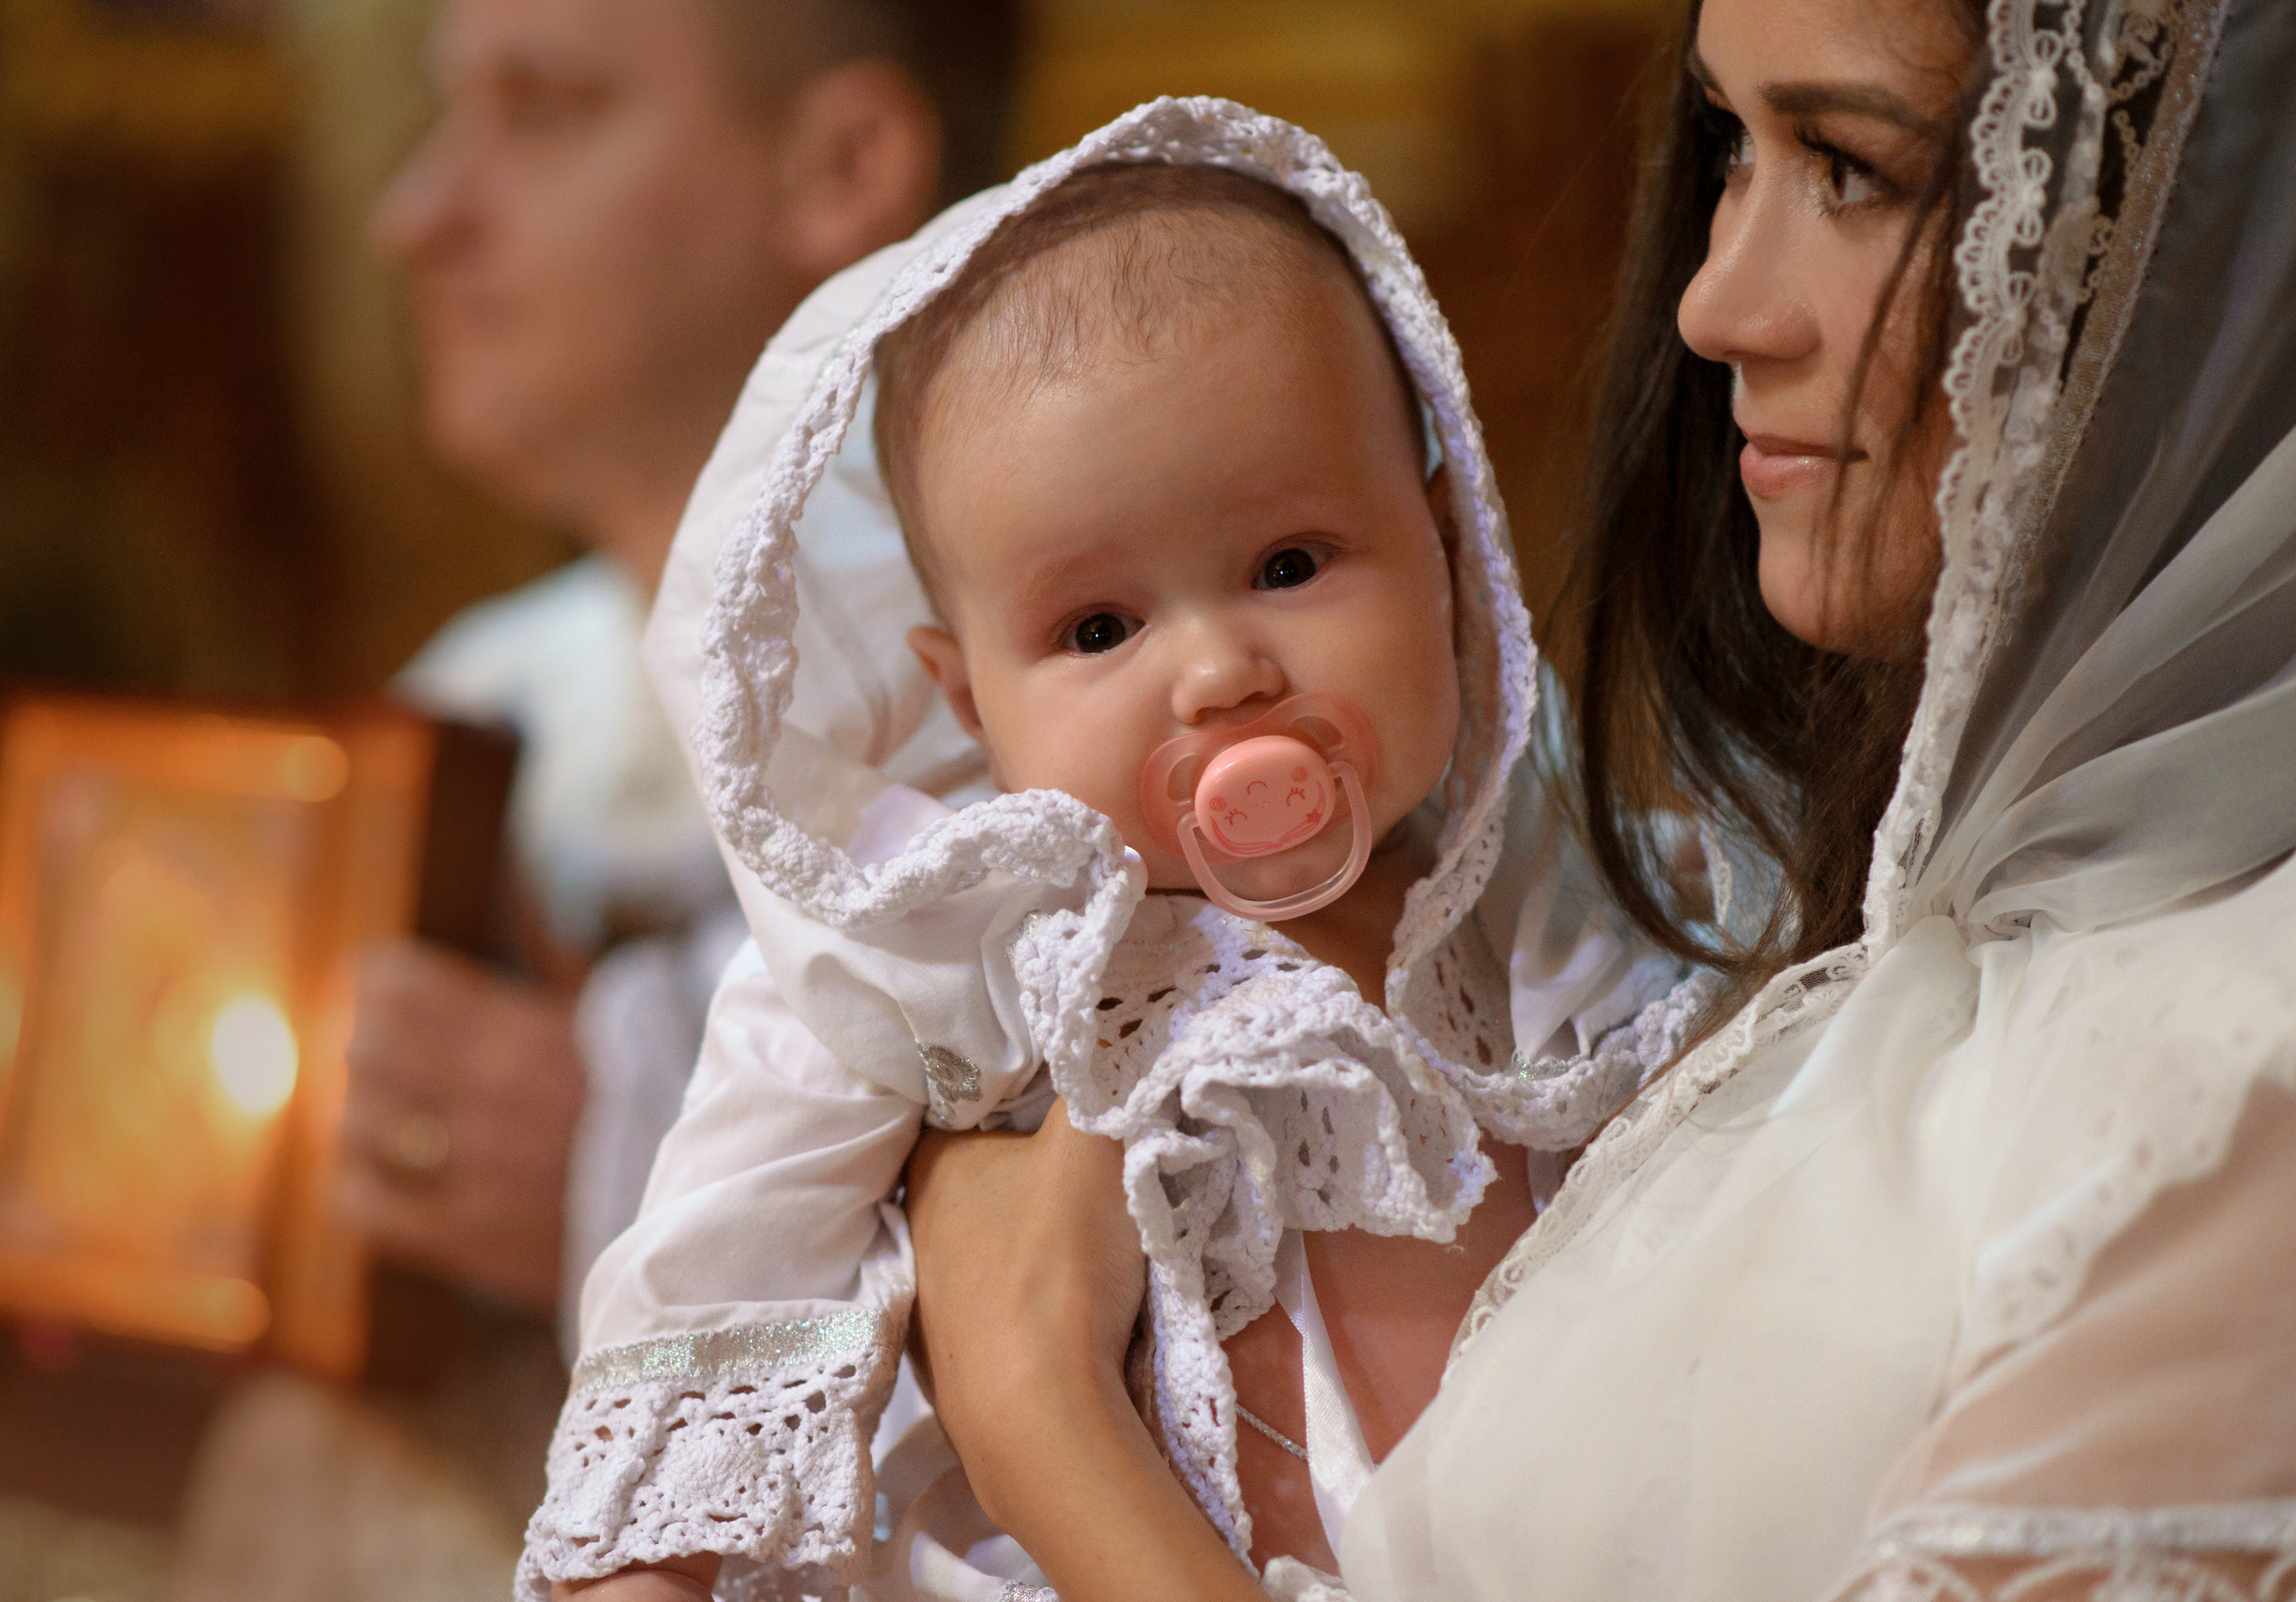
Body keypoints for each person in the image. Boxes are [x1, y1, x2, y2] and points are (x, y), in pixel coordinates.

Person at [898, 0, 2296, 1596]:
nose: (1713, 305)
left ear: (2191, 235)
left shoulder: (2229, 1084)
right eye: (1729, 148)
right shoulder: (1845, 961)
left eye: (1848, 165)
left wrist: (1039, 1412)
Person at [526, 106, 1694, 1601]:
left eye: (1289, 565)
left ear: (1448, 544)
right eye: (1098, 628)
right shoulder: (942, 952)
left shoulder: (1566, 894)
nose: (1218, 671)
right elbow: (707, 1300)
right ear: (969, 703)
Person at [339, 0, 1020, 1342]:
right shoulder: (472, 699)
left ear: (841, 166)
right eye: (446, 117)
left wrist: (647, 1172)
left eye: (540, 110)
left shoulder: (1087, 701)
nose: (413, 217)